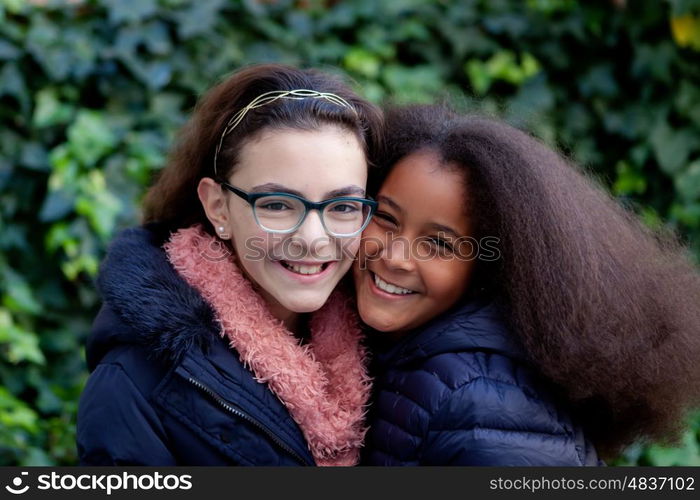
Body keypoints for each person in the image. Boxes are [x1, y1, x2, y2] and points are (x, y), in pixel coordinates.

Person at [355, 104, 700, 466]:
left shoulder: (482, 405)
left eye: (439, 244)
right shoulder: (395, 350)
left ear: (488, 268)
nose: (395, 256)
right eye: (386, 218)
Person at [77, 64, 383, 466]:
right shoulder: (134, 382)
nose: (313, 239)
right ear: (218, 206)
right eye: (276, 205)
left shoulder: (390, 338)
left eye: (342, 206)